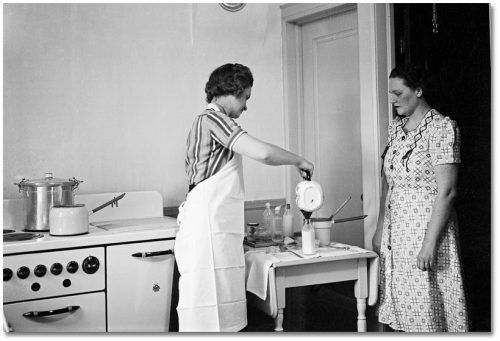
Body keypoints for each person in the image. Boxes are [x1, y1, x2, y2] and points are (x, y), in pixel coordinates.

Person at [174, 63, 314, 332]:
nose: (246, 106)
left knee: (220, 303)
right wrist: (299, 160)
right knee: (205, 306)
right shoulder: (212, 120)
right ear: (233, 90)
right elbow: (262, 153)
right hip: (207, 226)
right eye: (245, 97)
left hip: (213, 226)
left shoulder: (209, 122)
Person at [372, 63, 469, 332]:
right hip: (397, 234)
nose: (392, 100)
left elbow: (447, 192)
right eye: (390, 94)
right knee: (401, 311)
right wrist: (380, 227)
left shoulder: (441, 128)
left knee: (427, 312)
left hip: (426, 232)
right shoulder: (395, 129)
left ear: (418, 90)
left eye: (398, 93)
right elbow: (387, 180)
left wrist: (429, 243)